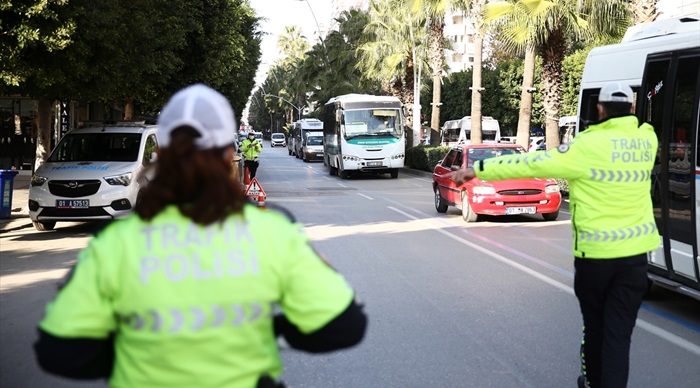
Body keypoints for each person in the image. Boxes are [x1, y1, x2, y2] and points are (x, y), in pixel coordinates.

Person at [34, 84, 367, 388]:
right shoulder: (272, 231)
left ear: (160, 156)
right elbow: (345, 326)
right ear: (228, 157)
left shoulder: (115, 243)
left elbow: (58, 351)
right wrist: (272, 329)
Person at [448, 81, 659, 388]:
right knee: (618, 338)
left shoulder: (584, 147)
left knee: (595, 330)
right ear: (631, 109)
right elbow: (645, 126)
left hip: (596, 261)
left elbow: (528, 162)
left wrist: (477, 170)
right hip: (635, 261)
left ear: (599, 109)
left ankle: (592, 382)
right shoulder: (646, 140)